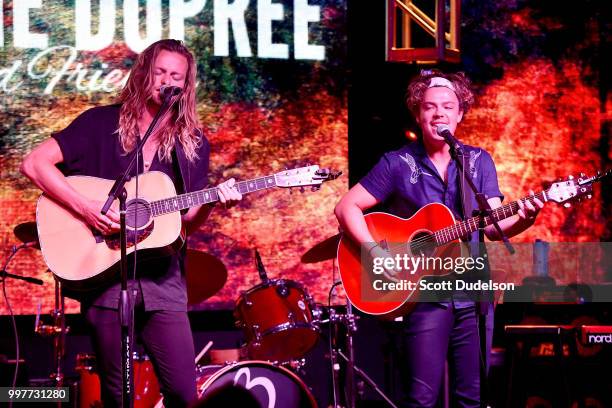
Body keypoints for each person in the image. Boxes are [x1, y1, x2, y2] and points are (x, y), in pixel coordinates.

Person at [21, 39, 242, 407]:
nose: (167, 81)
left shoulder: (193, 143)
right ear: (143, 74)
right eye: (160, 72)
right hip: (105, 277)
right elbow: (34, 164)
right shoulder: (99, 123)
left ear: (186, 86)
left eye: (176, 76)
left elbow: (186, 221)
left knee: (183, 393)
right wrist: (87, 208)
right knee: (116, 393)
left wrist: (213, 201)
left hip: (164, 282)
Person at [334, 70, 543, 407]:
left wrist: (526, 215)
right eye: (430, 107)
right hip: (424, 296)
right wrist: (376, 252)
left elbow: (492, 226)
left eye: (448, 106)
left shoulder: (477, 161)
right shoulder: (397, 163)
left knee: (472, 398)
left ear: (460, 114)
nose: (439, 113)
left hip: (474, 295)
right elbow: (346, 207)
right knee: (421, 399)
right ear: (418, 114)